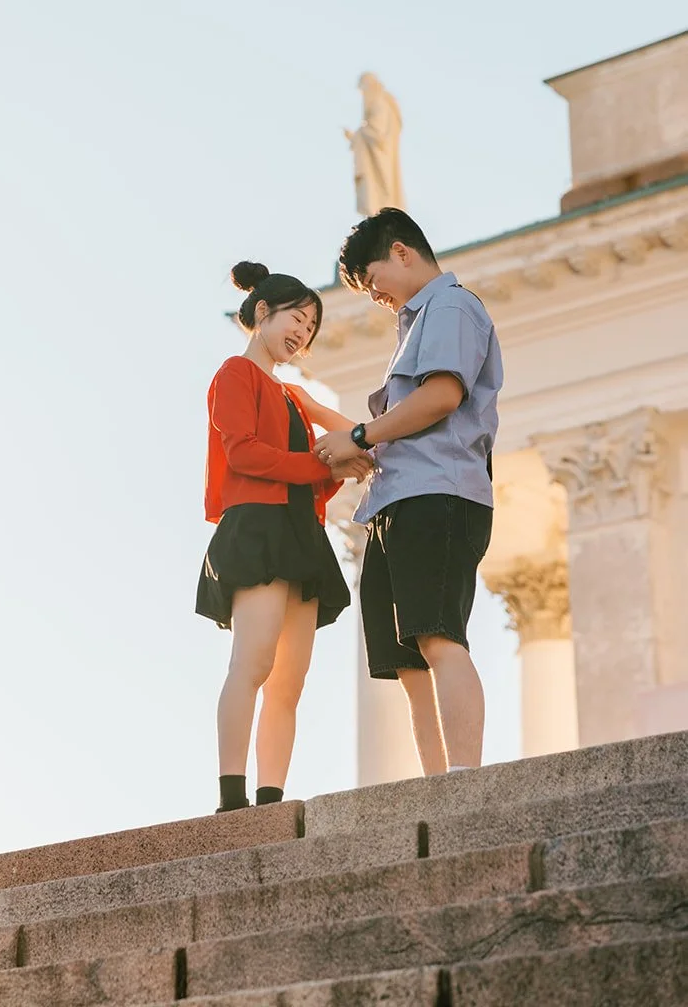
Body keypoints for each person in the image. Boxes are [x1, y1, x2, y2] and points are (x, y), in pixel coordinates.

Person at [314, 208, 503, 775]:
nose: (376, 296)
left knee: (438, 635)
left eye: (373, 282)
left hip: (437, 492)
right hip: (395, 500)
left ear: (401, 252)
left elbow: (442, 394)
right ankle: (437, 784)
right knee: (408, 661)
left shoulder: (450, 306)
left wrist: (359, 433)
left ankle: (464, 782)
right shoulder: (416, 324)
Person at [197, 261, 372, 813]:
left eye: (311, 328)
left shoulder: (294, 395)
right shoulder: (234, 373)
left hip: (302, 534)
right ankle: (232, 800)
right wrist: (325, 468)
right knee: (252, 663)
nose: (302, 334)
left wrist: (368, 446)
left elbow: (342, 426)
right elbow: (243, 453)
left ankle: (270, 800)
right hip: (257, 528)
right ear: (263, 312)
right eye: (297, 318)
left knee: (289, 682)